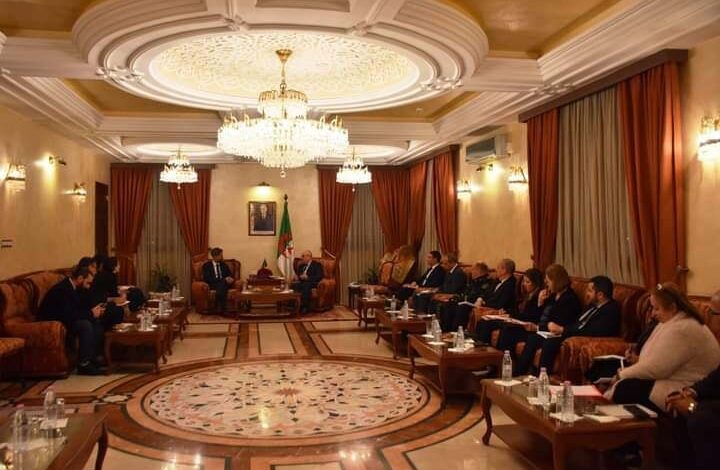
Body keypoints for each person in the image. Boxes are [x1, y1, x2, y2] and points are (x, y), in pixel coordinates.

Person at [605, 283, 720, 411]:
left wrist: (622, 375)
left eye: (656, 309)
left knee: (625, 388)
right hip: (680, 384)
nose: (652, 314)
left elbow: (657, 369)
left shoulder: (683, 328)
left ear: (672, 307)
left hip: (684, 386)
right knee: (610, 372)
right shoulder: (672, 321)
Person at [516, 275, 621, 375]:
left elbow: (591, 332)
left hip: (580, 339)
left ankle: (542, 378)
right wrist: (559, 329)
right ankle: (518, 374)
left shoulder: (610, 310)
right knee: (534, 338)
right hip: (569, 332)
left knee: (550, 343)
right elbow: (576, 323)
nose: (586, 293)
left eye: (590, 291)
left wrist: (563, 330)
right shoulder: (592, 306)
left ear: (600, 295)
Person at [511, 264, 582, 374]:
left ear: (557, 281)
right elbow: (541, 317)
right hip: (546, 331)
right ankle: (518, 374)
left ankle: (542, 377)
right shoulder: (552, 296)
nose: (546, 283)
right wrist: (540, 303)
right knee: (532, 339)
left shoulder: (570, 299)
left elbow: (556, 323)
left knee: (543, 342)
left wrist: (538, 327)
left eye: (548, 280)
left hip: (559, 334)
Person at [37, 266, 105, 375]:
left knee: (95, 322)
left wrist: (93, 312)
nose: (89, 286)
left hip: (65, 318)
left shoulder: (74, 287)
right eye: (88, 283)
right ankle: (83, 364)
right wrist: (91, 313)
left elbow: (77, 309)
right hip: (53, 323)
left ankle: (91, 358)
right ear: (80, 278)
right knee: (85, 325)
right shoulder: (63, 290)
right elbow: (69, 315)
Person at [476, 268, 543, 348]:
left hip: (524, 324)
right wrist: (506, 311)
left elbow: (529, 316)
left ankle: (499, 354)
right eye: (524, 281)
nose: (524, 284)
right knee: (484, 321)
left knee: (506, 330)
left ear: (536, 283)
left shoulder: (539, 297)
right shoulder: (525, 294)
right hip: (515, 319)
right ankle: (480, 348)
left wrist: (511, 315)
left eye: (527, 282)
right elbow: (515, 308)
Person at [446, 262, 496, 332]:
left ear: (479, 271)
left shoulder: (487, 281)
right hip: (467, 301)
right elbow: (466, 292)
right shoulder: (474, 280)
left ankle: (456, 331)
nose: (471, 272)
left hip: (476, 304)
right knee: (451, 303)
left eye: (473, 270)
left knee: (462, 307)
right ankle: (446, 330)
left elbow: (482, 295)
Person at [429, 253, 467, 323]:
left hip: (455, 297)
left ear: (452, 263)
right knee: (432, 298)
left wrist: (442, 295)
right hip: (447, 295)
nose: (442, 266)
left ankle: (441, 325)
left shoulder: (458, 273)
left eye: (445, 264)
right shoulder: (449, 272)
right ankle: (431, 322)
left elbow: (454, 290)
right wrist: (437, 292)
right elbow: (444, 286)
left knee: (442, 304)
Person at [202, 247, 235, 313]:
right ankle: (223, 309)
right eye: (220, 255)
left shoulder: (224, 265)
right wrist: (223, 280)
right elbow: (207, 278)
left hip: (225, 284)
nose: (222, 257)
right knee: (223, 284)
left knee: (223, 284)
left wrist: (230, 278)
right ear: (215, 256)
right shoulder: (206, 266)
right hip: (213, 284)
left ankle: (216, 306)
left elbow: (229, 275)